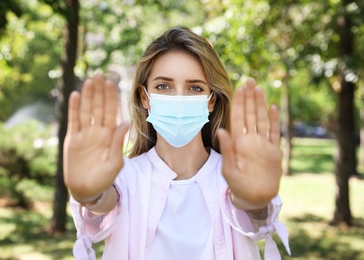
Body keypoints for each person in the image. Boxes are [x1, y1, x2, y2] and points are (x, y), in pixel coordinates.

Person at [65, 26, 291, 260]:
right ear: (145, 97)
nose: (179, 98)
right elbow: (105, 202)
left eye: (195, 87)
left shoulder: (235, 174)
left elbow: (252, 211)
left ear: (211, 101)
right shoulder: (125, 176)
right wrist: (91, 195)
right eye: (163, 86)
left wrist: (254, 201)